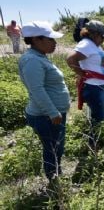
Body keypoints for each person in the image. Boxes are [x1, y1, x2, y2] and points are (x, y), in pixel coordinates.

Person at [18, 21, 70, 185]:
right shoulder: (32, 60)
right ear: (37, 39)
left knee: (56, 146)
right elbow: (37, 90)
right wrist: (52, 112)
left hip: (51, 114)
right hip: (46, 116)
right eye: (51, 39)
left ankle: (56, 173)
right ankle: (54, 180)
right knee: (52, 148)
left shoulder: (39, 57)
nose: (55, 43)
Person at [66, 20, 104, 147]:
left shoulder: (94, 45)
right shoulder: (86, 44)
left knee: (100, 115)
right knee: (98, 118)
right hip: (95, 87)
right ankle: (94, 145)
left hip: (100, 85)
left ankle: (97, 141)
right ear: (93, 34)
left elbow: (94, 58)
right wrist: (81, 73)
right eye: (102, 37)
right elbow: (71, 59)